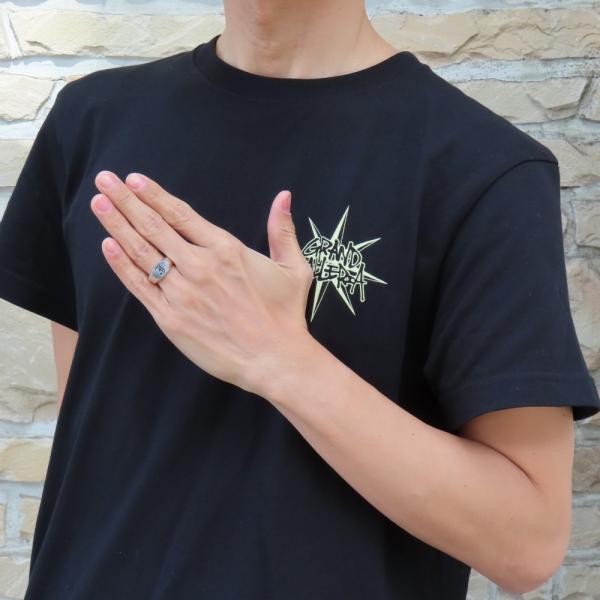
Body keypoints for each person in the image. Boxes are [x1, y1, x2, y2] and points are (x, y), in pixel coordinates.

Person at [0, 1, 598, 598]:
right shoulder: (91, 120)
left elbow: (528, 544)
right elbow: (95, 445)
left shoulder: (484, 169)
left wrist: (280, 359)